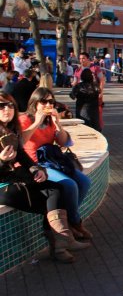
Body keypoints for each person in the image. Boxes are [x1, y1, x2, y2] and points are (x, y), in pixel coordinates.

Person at [0, 92, 89, 262]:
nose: (7, 109)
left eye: (11, 105)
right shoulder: (25, 121)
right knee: (57, 193)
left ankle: (62, 242)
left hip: (22, 174)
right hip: (3, 185)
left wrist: (35, 169)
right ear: (35, 102)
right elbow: (23, 152)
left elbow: (22, 156)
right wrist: (1, 160)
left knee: (57, 189)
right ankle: (63, 240)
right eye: (2, 106)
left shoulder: (11, 130)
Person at [20, 88, 93, 240]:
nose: (48, 104)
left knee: (85, 181)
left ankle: (68, 221)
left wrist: (58, 124)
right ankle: (75, 222)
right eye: (44, 101)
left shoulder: (50, 121)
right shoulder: (25, 119)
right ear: (35, 103)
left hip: (52, 162)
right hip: (34, 164)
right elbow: (20, 143)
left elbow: (65, 142)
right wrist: (37, 121)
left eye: (51, 102)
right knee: (69, 184)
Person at [74, 52, 105, 130]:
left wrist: (101, 92)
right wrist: (74, 86)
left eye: (83, 58)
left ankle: (98, 129)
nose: (81, 60)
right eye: (80, 58)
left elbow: (102, 80)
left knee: (97, 114)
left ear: (88, 59)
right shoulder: (78, 70)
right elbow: (75, 82)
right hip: (82, 96)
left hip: (94, 94)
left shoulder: (95, 68)